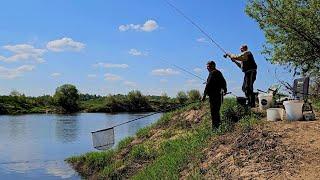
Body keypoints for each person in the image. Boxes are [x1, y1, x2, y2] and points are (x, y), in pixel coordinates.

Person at [202, 61, 227, 130]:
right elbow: (223, 82)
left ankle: (215, 128)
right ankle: (218, 126)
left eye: (209, 66)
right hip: (219, 96)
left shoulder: (212, 73)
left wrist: (204, 95)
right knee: (216, 112)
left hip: (213, 96)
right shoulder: (218, 72)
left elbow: (208, 85)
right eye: (207, 66)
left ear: (213, 66)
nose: (207, 68)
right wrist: (225, 90)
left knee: (214, 112)